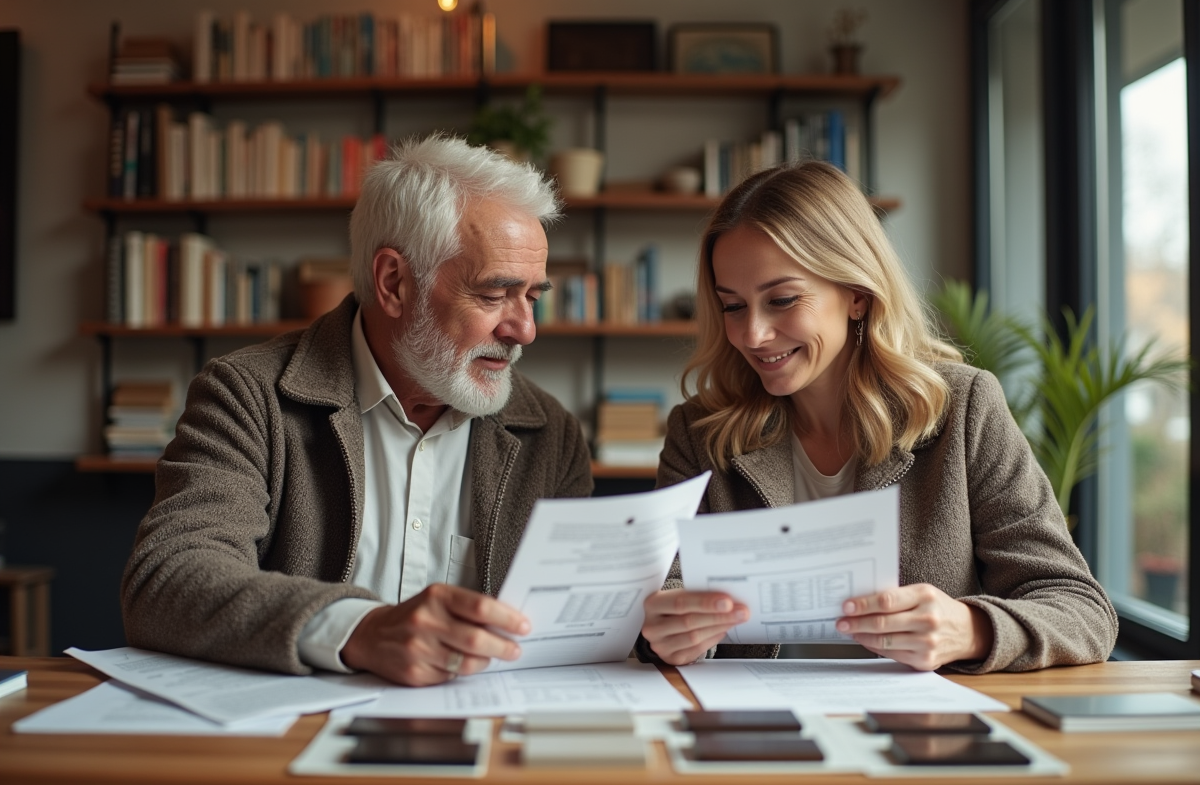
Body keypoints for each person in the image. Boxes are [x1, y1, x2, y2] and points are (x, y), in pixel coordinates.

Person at [122, 135, 593, 686]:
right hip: (296, 728)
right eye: (493, 295)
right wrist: (358, 630)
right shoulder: (247, 395)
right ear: (394, 282)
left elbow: (580, 611)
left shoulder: (550, 431)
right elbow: (168, 578)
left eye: (532, 297)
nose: (525, 330)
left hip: (488, 729)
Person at [639, 161, 1118, 673]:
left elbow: (1081, 610)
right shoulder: (700, 432)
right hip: (752, 715)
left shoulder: (963, 409)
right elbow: (662, 593)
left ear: (858, 297)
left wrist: (970, 629)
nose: (752, 334)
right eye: (733, 306)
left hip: (924, 718)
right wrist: (663, 631)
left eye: (782, 299)